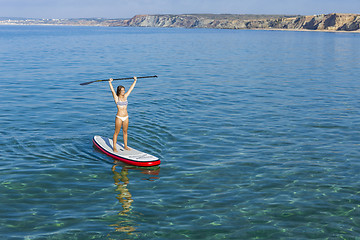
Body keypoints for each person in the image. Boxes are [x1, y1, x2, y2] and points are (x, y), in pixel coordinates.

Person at [108, 77, 137, 151]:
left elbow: (131, 89)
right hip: (119, 117)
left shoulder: (126, 96)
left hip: (126, 117)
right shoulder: (116, 98)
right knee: (116, 132)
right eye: (122, 91)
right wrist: (110, 82)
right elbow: (112, 91)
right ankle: (114, 147)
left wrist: (135, 80)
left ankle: (125, 146)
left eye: (124, 90)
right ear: (119, 91)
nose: (124, 92)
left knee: (125, 132)